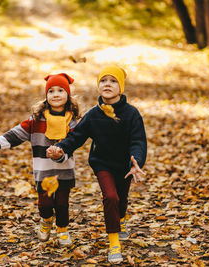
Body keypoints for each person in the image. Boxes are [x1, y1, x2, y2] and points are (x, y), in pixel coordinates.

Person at [46, 65, 147, 264]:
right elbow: (76, 137)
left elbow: (138, 141)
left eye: (113, 81)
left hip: (126, 165)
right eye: (103, 80)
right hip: (102, 164)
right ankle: (114, 243)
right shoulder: (93, 115)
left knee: (121, 199)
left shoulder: (132, 114)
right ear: (98, 86)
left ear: (121, 87)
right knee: (110, 197)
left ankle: (121, 219)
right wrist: (60, 148)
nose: (107, 84)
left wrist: (136, 160)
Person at [0, 73, 80, 247]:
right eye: (51, 91)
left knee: (62, 204)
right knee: (45, 204)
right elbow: (14, 135)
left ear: (68, 95)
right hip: (43, 171)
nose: (56, 94)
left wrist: (60, 154)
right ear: (46, 96)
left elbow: (75, 141)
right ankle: (46, 220)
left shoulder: (73, 122)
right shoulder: (35, 121)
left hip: (64, 170)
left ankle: (63, 231)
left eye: (61, 90)